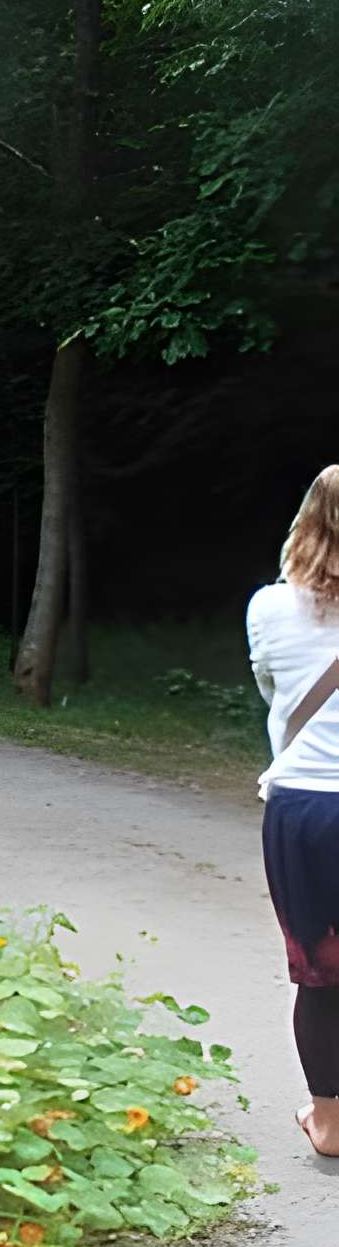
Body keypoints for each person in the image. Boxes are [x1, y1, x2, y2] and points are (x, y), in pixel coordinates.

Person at [252, 464, 339, 1157]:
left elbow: (272, 689)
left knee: (322, 970)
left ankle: (330, 1124)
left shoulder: (268, 607)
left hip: (302, 806)